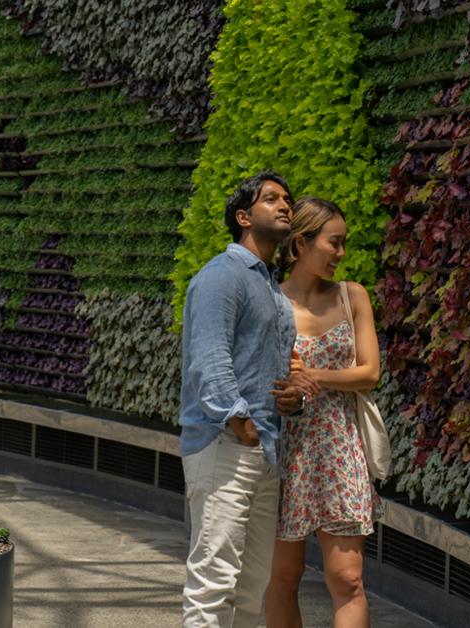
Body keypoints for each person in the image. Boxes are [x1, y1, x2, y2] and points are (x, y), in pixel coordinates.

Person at [179, 170, 319, 627]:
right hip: (225, 443)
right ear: (243, 216)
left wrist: (291, 400)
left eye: (288, 199)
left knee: (253, 586)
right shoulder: (222, 276)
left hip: (264, 450)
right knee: (214, 579)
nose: (284, 205)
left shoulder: (271, 290)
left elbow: (275, 369)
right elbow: (208, 356)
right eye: (271, 199)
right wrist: (242, 424)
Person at [265, 197, 382, 628]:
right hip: (285, 451)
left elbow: (370, 373)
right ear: (300, 243)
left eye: (343, 243)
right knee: (282, 577)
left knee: (347, 578)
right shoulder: (269, 301)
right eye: (334, 243)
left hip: (340, 448)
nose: (341, 253)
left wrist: (313, 376)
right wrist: (284, 389)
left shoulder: (353, 297)